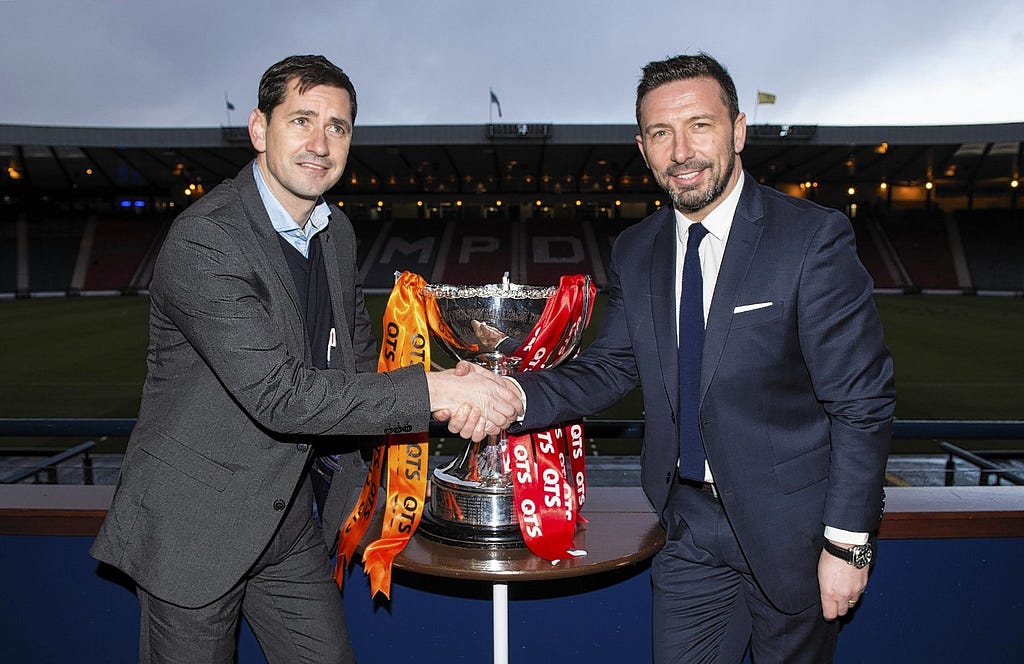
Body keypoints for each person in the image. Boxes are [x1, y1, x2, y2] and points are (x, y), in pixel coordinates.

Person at [90, 54, 522, 664]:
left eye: (338, 127)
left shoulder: (336, 233)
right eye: (302, 120)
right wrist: (438, 393)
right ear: (260, 130)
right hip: (195, 526)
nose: (321, 143)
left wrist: (451, 390)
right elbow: (278, 395)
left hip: (284, 518)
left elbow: (356, 366)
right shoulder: (205, 239)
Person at [493, 53, 895, 662]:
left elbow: (862, 404)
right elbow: (612, 366)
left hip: (793, 534)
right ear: (642, 145)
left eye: (699, 126)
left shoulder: (811, 238)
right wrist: (508, 395)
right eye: (661, 133)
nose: (681, 151)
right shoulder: (636, 249)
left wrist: (848, 547)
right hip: (688, 529)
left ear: (737, 130)